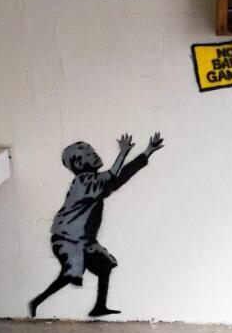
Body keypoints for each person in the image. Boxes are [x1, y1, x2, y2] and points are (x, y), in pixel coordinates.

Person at [30, 132, 164, 318]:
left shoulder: (94, 184)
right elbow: (112, 175)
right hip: (68, 239)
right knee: (70, 274)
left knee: (104, 267)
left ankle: (99, 307)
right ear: (79, 163)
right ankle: (37, 301)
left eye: (92, 151)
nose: (94, 154)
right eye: (89, 153)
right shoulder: (83, 182)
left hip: (83, 241)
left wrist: (147, 151)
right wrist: (122, 153)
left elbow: (121, 177)